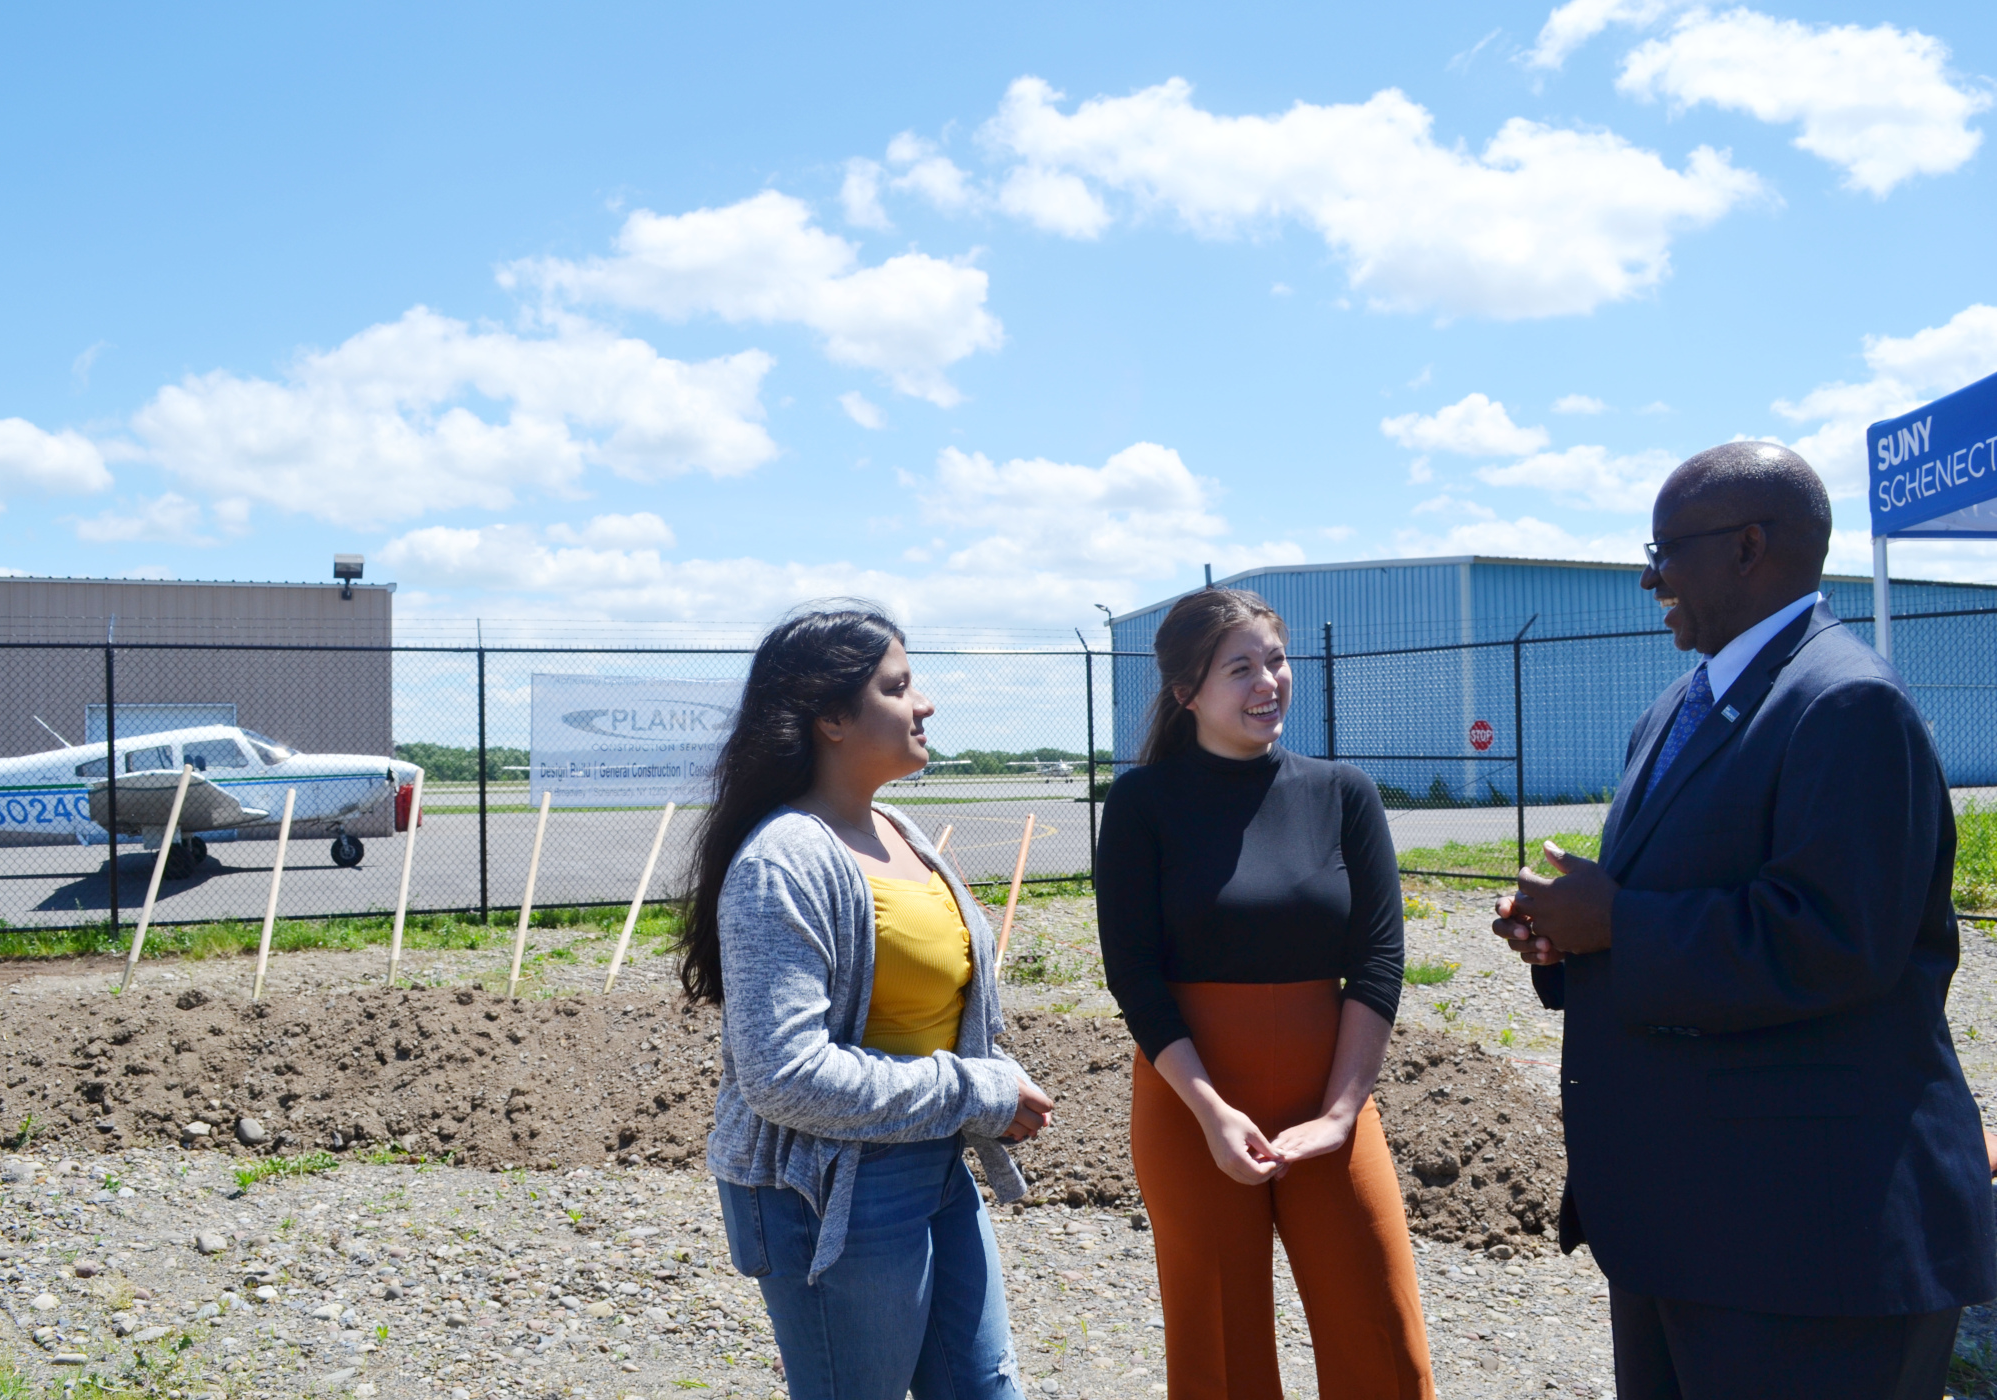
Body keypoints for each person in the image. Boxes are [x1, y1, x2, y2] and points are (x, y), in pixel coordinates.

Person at [1492, 443, 1996, 1399]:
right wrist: (1565, 937)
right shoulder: (1676, 709)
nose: (1649, 576)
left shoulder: (1846, 704)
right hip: (1692, 1231)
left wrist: (1622, 926)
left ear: (1749, 547)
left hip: (1810, 1247)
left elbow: (1836, 941)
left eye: (1664, 549)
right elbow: (1677, 900)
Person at [681, 601, 1054, 1400]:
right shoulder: (784, 860)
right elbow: (782, 1076)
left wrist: (982, 1078)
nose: (924, 704)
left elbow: (929, 1007)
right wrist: (973, 1088)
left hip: (933, 1158)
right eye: (898, 686)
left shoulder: (899, 829)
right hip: (830, 1191)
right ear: (832, 718)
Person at [1097, 586, 1436, 1400]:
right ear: (1187, 692)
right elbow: (1132, 974)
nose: (1268, 682)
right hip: (1193, 1107)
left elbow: (1380, 961)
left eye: (1275, 661)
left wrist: (1341, 1113)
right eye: (1239, 668)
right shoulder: (1143, 803)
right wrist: (1213, 1112)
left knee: (1380, 1331)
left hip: (1331, 1102)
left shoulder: (1343, 792)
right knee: (1220, 1350)